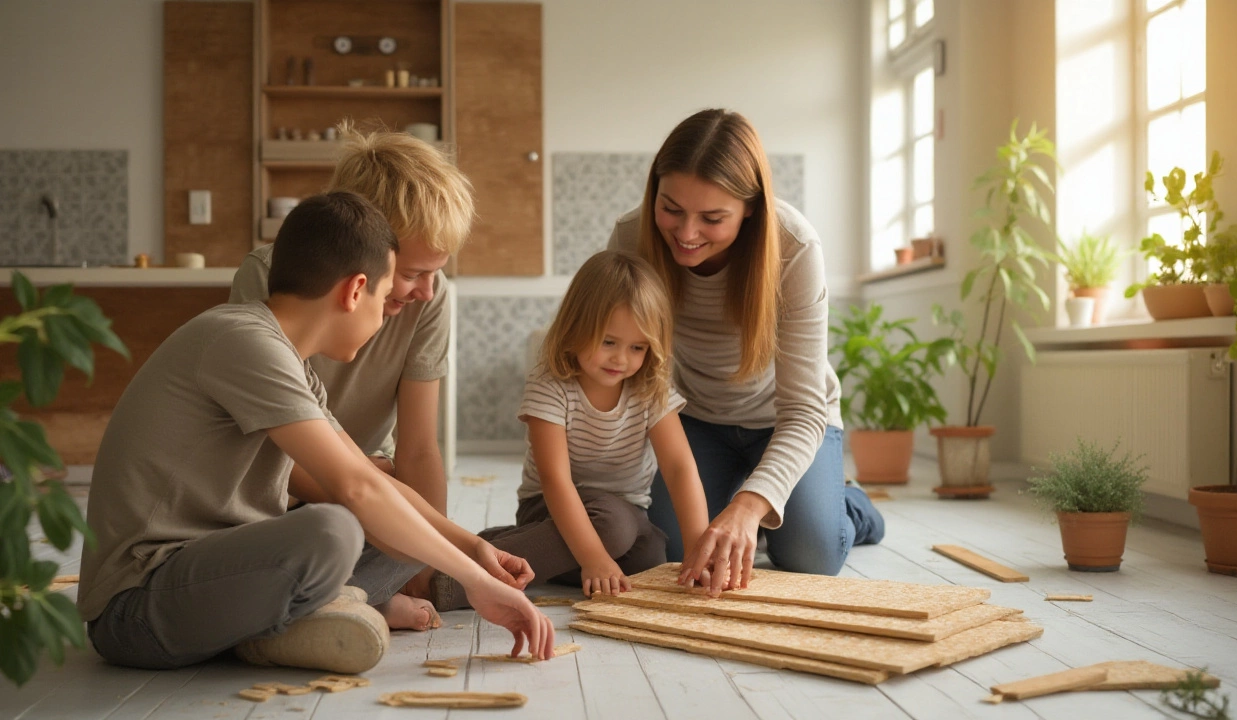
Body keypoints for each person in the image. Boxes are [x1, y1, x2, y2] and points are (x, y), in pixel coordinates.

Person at [78, 193, 554, 676]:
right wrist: (472, 579)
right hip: (136, 608)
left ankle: (317, 612)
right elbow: (355, 488)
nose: (389, 314)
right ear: (355, 290)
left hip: (219, 577)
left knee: (407, 536)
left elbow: (375, 483)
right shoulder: (243, 341)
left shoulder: (291, 361)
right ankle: (291, 626)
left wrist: (470, 552)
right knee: (335, 529)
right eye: (386, 295)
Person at [609, 108, 885, 595]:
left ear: (751, 206)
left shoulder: (795, 249)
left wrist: (748, 507)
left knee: (811, 557)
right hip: (694, 422)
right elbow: (633, 375)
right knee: (673, 554)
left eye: (712, 218)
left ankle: (851, 506)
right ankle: (751, 499)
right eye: (671, 208)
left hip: (789, 423)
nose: (687, 233)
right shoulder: (631, 239)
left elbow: (803, 410)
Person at [230, 124, 471, 628]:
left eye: (436, 272)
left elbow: (420, 448)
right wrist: (364, 484)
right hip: (277, 488)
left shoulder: (433, 298)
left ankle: (334, 600)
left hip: (359, 484)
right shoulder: (269, 278)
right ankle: (347, 602)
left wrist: (424, 560)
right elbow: (263, 453)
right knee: (346, 525)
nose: (427, 290)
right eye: (410, 273)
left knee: (406, 532)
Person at [429, 250, 712, 607]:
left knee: (650, 556)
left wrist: (698, 550)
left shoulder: (650, 389)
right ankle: (449, 577)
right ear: (577, 326)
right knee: (611, 530)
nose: (621, 359)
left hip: (625, 513)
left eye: (637, 347)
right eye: (609, 342)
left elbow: (679, 467)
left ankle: (511, 545)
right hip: (549, 506)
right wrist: (594, 557)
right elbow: (555, 479)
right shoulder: (551, 385)